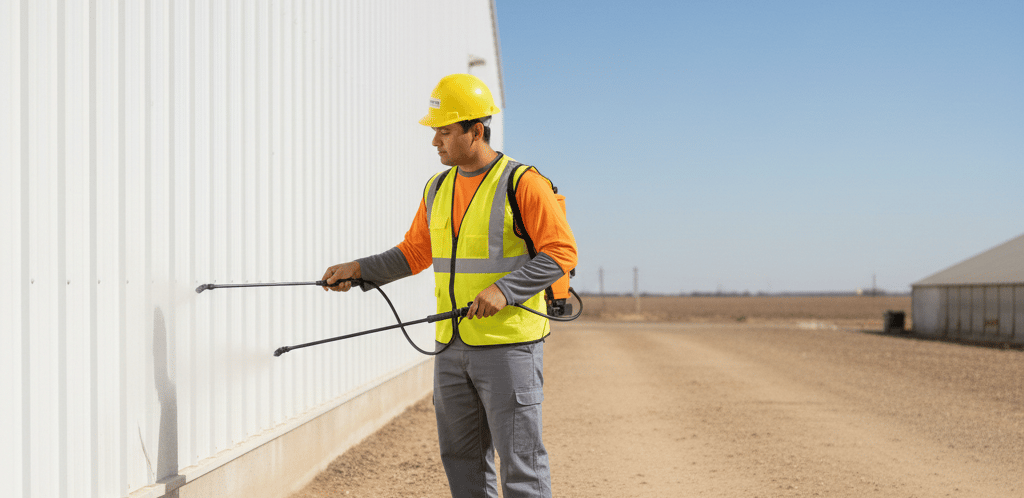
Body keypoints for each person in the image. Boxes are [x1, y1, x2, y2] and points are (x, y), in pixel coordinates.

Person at [321, 73, 576, 498]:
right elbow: (414, 254)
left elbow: (561, 253)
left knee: (521, 465)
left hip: (509, 346)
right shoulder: (437, 188)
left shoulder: (522, 182)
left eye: (444, 130)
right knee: (462, 462)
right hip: (451, 346)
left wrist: (503, 290)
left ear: (475, 131)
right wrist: (360, 269)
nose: (435, 141)